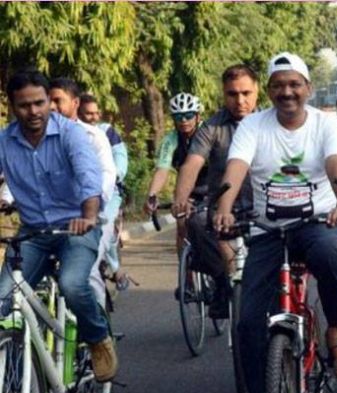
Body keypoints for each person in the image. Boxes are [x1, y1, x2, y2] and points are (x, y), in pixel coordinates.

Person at [214, 52, 337, 393]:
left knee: (333, 255)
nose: (287, 92)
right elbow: (237, 168)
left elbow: (334, 163)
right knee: (246, 321)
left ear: (308, 88)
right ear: (270, 91)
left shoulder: (326, 124)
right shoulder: (253, 126)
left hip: (317, 223)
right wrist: (224, 208)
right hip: (267, 229)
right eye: (279, 85)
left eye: (294, 84)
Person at [0, 69, 117, 382]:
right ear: (13, 106)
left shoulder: (71, 134)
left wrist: (89, 215)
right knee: (3, 300)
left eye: (40, 102)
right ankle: (9, 380)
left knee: (72, 284)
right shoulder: (5, 141)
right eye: (24, 105)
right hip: (34, 233)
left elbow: (89, 178)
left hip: (76, 228)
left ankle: (97, 338)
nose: (34, 111)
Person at [173, 64, 259, 318]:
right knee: (197, 222)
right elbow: (192, 163)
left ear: (257, 92)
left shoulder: (270, 123)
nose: (240, 100)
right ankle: (223, 279)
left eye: (246, 93)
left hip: (265, 206)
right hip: (223, 210)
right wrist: (180, 200)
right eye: (232, 94)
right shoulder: (210, 128)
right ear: (224, 95)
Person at [49, 78, 117, 308]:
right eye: (48, 101)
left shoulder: (93, 136)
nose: (52, 106)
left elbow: (107, 175)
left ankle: (96, 336)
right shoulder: (39, 136)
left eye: (58, 100)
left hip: (92, 218)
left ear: (75, 102)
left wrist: (93, 210)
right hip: (52, 220)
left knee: (85, 275)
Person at [78, 93, 130, 290]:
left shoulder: (106, 131)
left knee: (102, 230)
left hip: (109, 193)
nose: (93, 117)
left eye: (95, 113)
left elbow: (120, 156)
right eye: (88, 114)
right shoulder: (69, 132)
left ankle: (115, 270)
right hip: (78, 195)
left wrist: (114, 176)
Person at [143, 92, 205, 253]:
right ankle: (185, 274)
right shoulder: (170, 140)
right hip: (188, 190)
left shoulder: (208, 133)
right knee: (182, 223)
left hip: (214, 186)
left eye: (188, 115)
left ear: (197, 116)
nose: (184, 121)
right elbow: (162, 170)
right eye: (178, 117)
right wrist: (152, 195)